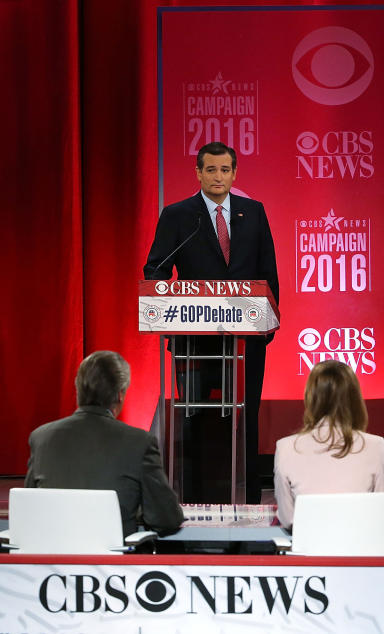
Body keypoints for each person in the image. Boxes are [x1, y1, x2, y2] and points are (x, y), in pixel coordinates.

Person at [143, 141, 279, 504]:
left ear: (234, 174)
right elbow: (155, 267)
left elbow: (268, 271)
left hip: (246, 338)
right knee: (196, 417)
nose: (218, 176)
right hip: (195, 339)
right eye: (211, 170)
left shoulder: (254, 212)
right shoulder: (177, 215)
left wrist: (267, 327)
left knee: (246, 417)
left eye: (224, 170)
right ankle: (195, 495)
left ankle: (249, 497)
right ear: (198, 173)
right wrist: (163, 294)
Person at [25, 350, 184, 536]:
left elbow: (30, 510)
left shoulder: (41, 438)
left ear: (78, 390)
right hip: (113, 563)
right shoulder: (140, 443)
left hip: (52, 560)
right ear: (119, 395)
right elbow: (166, 519)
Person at [273, 360, 384, 529]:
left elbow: (288, 519)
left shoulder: (285, 448)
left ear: (310, 397)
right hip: (363, 549)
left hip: (308, 552)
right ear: (355, 398)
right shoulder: (377, 446)